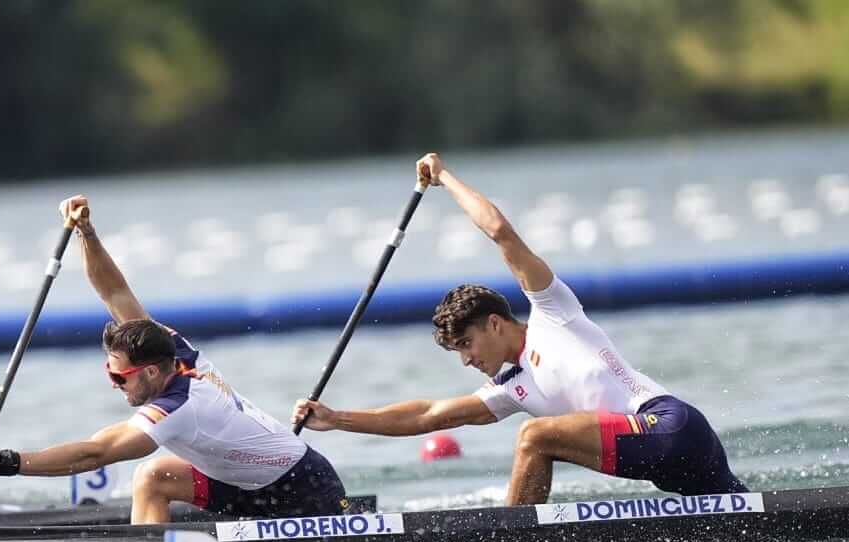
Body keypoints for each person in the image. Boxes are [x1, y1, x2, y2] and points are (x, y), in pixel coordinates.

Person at [292, 153, 748, 506]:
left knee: (535, 437)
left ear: (495, 322)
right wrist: (336, 419)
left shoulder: (553, 311)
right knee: (743, 511)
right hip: (671, 467)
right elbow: (428, 415)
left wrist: (444, 176)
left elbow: (500, 233)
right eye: (458, 352)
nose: (467, 359)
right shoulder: (511, 387)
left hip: (671, 426)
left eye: (467, 344)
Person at [0, 195, 349, 523]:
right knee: (152, 477)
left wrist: (5, 462)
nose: (115, 384)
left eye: (120, 378)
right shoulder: (170, 347)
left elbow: (93, 454)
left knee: (148, 470)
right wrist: (87, 233)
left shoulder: (176, 407)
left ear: (149, 371)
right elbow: (114, 292)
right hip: (247, 484)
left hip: (305, 492)